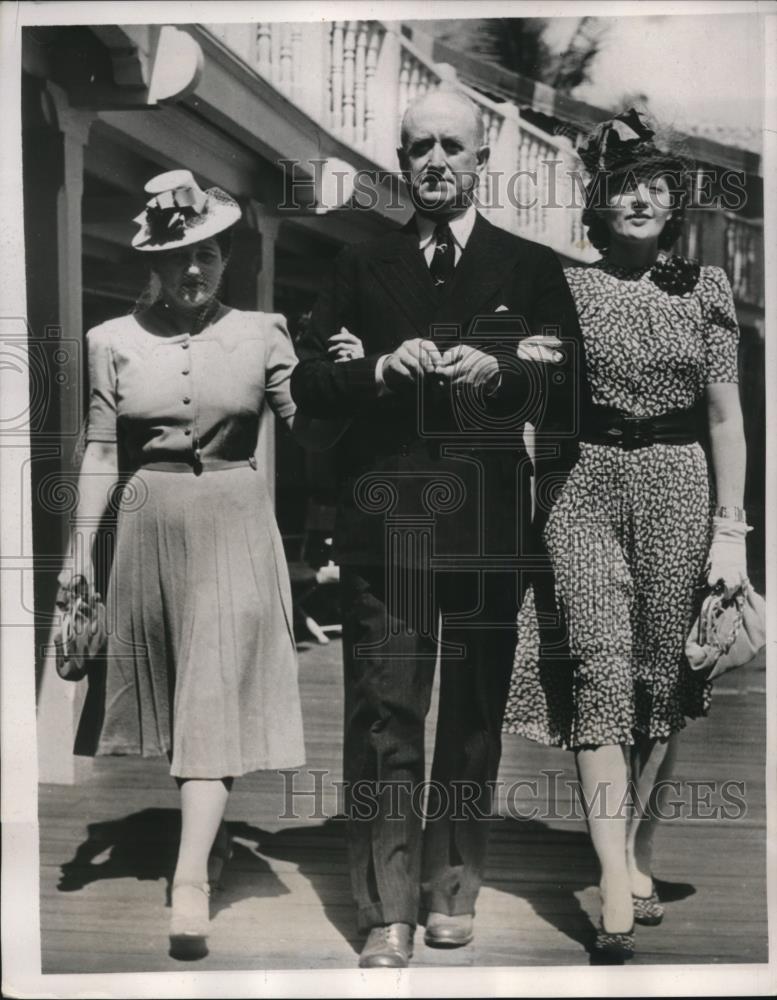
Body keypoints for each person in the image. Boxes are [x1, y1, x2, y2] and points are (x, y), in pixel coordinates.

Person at [290, 89, 586, 968]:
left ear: (482, 155)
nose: (434, 162)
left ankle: (449, 885)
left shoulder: (531, 271)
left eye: (451, 146)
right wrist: (378, 368)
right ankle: (387, 910)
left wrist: (499, 371)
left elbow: (568, 402)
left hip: (490, 528)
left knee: (469, 720)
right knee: (384, 716)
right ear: (400, 157)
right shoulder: (357, 265)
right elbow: (307, 384)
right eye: (418, 146)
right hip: (389, 527)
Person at [503, 110, 750, 962]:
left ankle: (637, 845)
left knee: (661, 676)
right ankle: (610, 870)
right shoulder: (562, 287)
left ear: (672, 201)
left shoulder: (707, 290)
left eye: (655, 185)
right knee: (602, 670)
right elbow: (523, 389)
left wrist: (733, 532)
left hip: (679, 484)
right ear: (597, 204)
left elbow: (726, 419)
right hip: (581, 487)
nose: (640, 198)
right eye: (622, 187)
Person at [57, 169, 308, 959]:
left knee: (209, 692)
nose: (191, 271)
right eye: (175, 259)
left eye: (205, 254)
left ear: (226, 257)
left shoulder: (266, 330)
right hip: (148, 525)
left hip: (236, 521)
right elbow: (100, 449)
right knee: (178, 693)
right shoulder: (110, 342)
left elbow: (310, 422)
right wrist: (77, 557)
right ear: (152, 266)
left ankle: (190, 878)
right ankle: (210, 836)